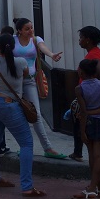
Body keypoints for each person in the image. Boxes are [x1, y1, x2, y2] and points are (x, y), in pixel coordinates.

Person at [0, 33, 44, 196]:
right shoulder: (20, 62)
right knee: (26, 143)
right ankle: (27, 186)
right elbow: (27, 74)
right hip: (10, 105)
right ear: (13, 47)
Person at [12, 17, 67, 159]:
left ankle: (48, 147)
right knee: (18, 115)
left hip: (29, 81)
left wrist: (52, 55)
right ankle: (24, 146)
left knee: (35, 114)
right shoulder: (13, 40)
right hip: (14, 83)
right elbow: (1, 50)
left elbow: (43, 48)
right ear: (19, 31)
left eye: (31, 28)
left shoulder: (36, 40)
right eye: (27, 29)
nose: (30, 31)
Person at [70, 26, 100, 188]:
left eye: (81, 37)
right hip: (91, 105)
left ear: (87, 39)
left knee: (96, 150)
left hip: (91, 107)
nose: (79, 40)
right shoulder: (93, 55)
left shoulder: (95, 56)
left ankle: (99, 181)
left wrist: (86, 109)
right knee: (97, 146)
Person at [72, 58, 100, 199]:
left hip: (88, 122)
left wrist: (82, 130)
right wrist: (96, 112)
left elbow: (83, 112)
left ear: (81, 72)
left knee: (93, 155)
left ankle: (91, 189)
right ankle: (99, 188)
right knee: (98, 155)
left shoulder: (80, 88)